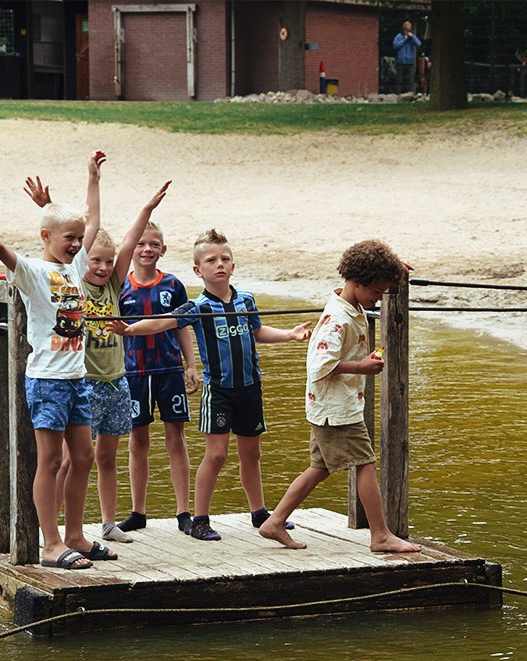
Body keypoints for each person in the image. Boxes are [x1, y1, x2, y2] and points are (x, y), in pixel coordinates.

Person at [0, 151, 116, 570]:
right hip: (47, 380)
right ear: (45, 237)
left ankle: (75, 534)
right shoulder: (33, 272)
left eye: (78, 240)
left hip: (77, 377)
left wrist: (92, 176)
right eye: (68, 239)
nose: (77, 245)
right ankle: (52, 543)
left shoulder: (74, 266)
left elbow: (91, 220)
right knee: (51, 460)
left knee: (84, 457)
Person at [109, 229, 312, 542]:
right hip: (218, 391)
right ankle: (200, 518)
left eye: (225, 259)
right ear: (197, 270)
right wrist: (129, 329)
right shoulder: (197, 306)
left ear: (233, 265)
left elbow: (257, 331)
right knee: (216, 455)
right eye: (211, 260)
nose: (220, 264)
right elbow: (163, 321)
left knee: (251, 453)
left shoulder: (246, 300)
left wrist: (288, 334)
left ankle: (259, 512)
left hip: (250, 387)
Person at [24, 174, 174, 544]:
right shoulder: (72, 277)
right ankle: (54, 532)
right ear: (83, 260)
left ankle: (107, 524)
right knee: (66, 460)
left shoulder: (112, 284)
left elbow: (123, 243)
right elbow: (80, 227)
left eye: (109, 263)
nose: (104, 267)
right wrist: (73, 189)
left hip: (115, 380)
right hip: (81, 381)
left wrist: (147, 209)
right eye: (97, 261)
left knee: (104, 457)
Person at [258, 240, 422, 554]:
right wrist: (360, 366)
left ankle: (275, 521)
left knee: (319, 468)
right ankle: (381, 535)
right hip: (337, 407)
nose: (378, 299)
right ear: (358, 283)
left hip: (330, 405)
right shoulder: (338, 319)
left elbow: (370, 269)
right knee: (365, 462)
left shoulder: (349, 301)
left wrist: (395, 270)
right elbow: (319, 366)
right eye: (376, 292)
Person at [115, 221, 200, 537]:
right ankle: (138, 511)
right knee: (138, 441)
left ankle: (183, 511)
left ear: (162, 249)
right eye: (140, 244)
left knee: (175, 438)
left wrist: (191, 365)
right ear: (131, 248)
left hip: (169, 370)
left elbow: (182, 326)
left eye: (154, 244)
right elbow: (116, 332)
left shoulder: (173, 285)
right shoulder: (121, 287)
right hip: (134, 372)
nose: (147, 249)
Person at [392, 20, 421, 94]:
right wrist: (404, 40)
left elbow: (419, 44)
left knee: (411, 80)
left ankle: (410, 95)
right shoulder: (398, 36)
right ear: (404, 27)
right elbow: (395, 45)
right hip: (401, 61)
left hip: (410, 61)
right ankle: (398, 95)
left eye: (410, 25)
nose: (410, 26)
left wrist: (413, 37)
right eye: (408, 25)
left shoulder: (412, 37)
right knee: (399, 80)